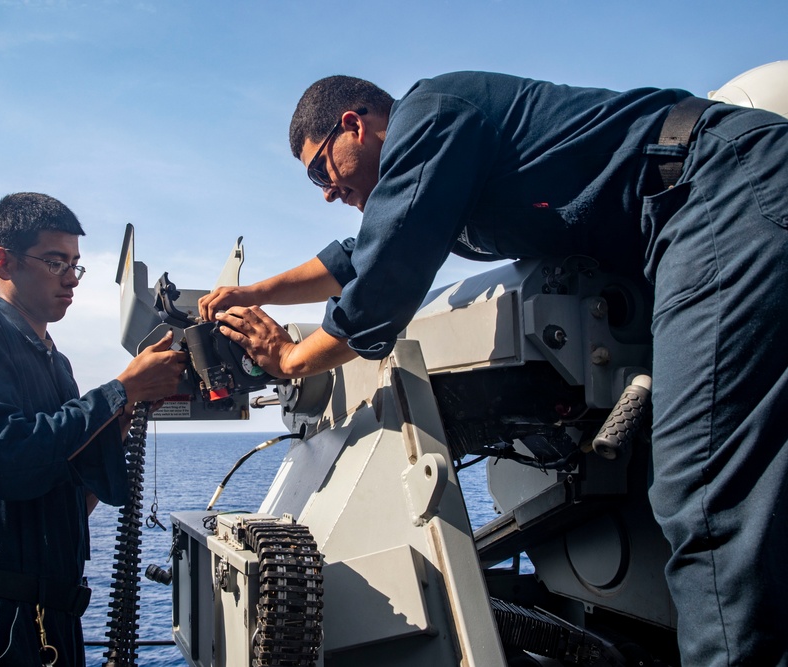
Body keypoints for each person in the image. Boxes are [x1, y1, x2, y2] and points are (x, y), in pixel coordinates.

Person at [198, 73, 788, 665]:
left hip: (716, 185)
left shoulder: (429, 117)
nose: (326, 192)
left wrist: (292, 358)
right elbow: (355, 258)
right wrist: (254, 292)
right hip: (695, 205)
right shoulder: (440, 170)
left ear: (353, 124)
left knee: (702, 489)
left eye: (320, 170)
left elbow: (382, 285)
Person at [0, 192, 185, 666]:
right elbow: (7, 461)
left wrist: (120, 419)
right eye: (56, 262)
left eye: (76, 266)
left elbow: (68, 499)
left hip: (54, 621)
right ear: (3, 262)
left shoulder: (56, 364)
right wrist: (119, 391)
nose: (71, 280)